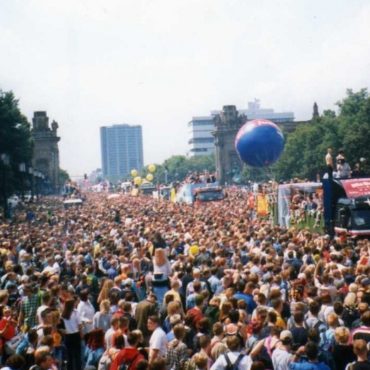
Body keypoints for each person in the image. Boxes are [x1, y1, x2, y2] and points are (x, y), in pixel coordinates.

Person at [61, 299, 82, 370]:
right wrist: (81, 333)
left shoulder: (63, 314)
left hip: (67, 336)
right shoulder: (76, 312)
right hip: (76, 335)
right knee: (77, 355)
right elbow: (80, 325)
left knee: (69, 355)